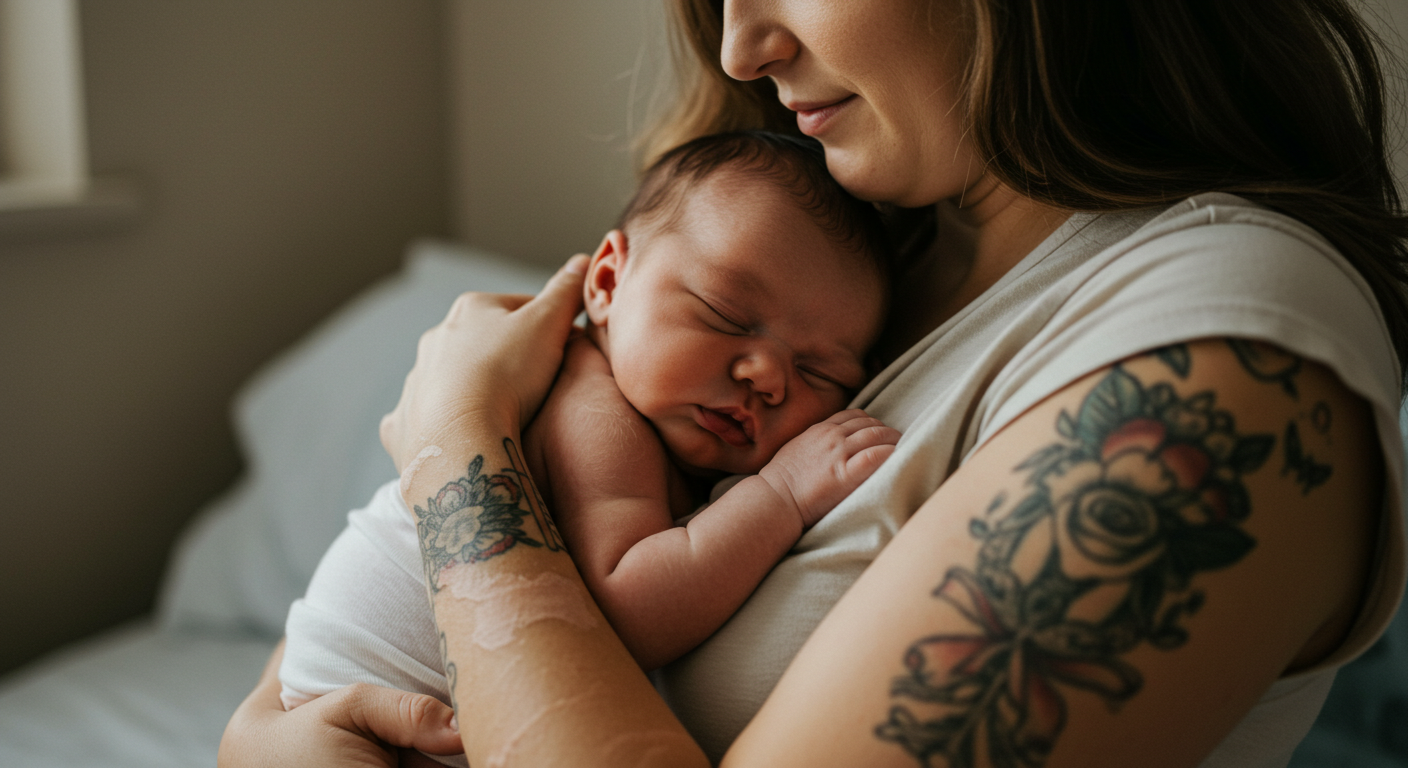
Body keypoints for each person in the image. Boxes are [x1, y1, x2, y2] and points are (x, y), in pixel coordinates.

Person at [219, 1, 1408, 767]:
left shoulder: (1220, 360)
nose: (741, 45)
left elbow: (482, 510)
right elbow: (352, 627)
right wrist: (263, 738)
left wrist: (454, 441)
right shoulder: (835, 243)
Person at [275, 132, 901, 761]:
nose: (767, 375)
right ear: (606, 281)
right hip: (369, 717)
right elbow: (628, 611)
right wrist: (782, 493)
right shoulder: (594, 410)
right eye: (726, 314)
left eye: (820, 373)